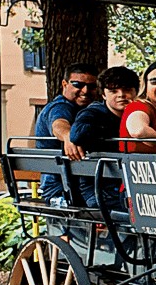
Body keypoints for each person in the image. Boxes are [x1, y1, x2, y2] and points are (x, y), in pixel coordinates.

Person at [68, 65, 140, 211]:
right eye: (113, 91)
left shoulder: (141, 114)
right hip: (100, 189)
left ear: (135, 92)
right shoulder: (94, 113)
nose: (121, 95)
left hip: (130, 185)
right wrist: (116, 132)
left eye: (127, 90)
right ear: (104, 95)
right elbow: (77, 134)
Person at [32, 63, 100, 204]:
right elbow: (59, 124)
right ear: (65, 84)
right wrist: (69, 137)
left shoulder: (91, 111)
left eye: (92, 86)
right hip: (63, 189)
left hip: (84, 186)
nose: (85, 90)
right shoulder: (60, 107)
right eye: (78, 84)